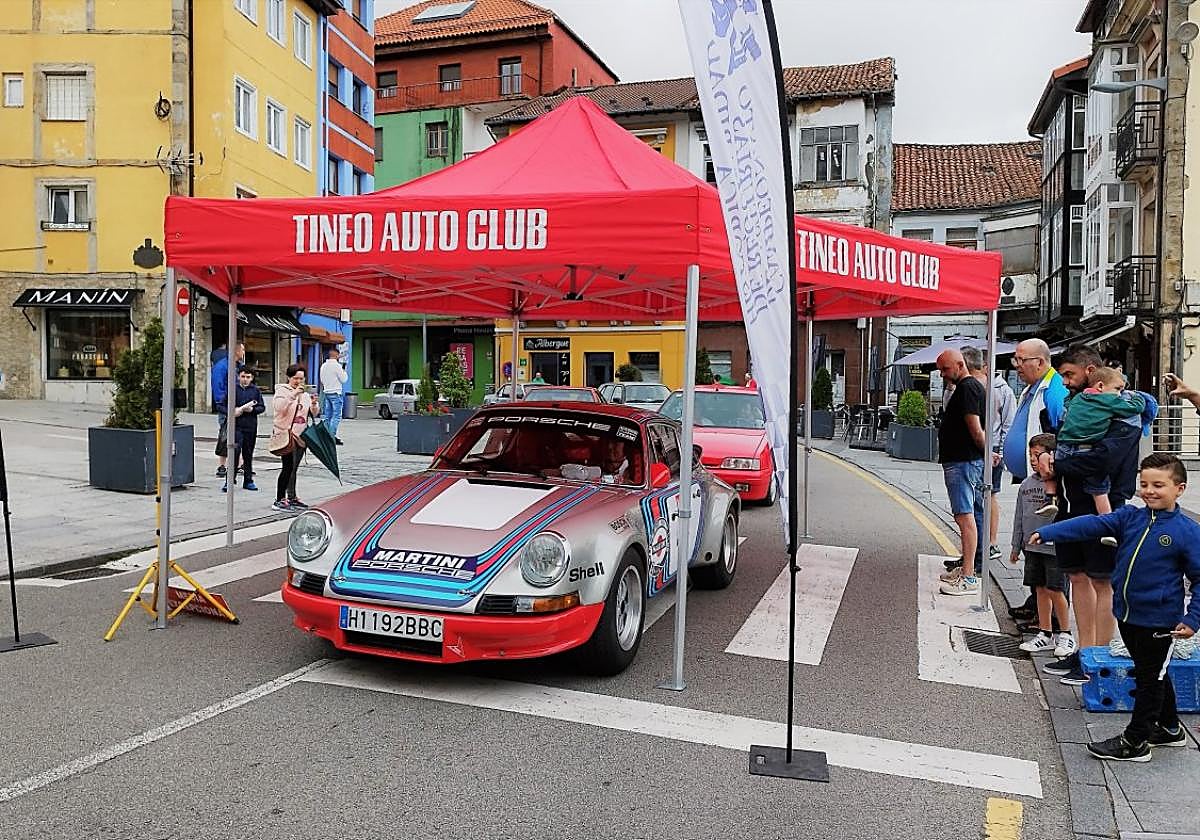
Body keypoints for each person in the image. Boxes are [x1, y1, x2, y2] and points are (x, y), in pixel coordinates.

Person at [1031, 453, 1199, 762]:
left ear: (1180, 488)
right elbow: (1092, 524)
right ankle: (1171, 728)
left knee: (1150, 680)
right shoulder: (1131, 517)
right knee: (1153, 671)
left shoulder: (1188, 532)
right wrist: (1050, 531)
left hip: (1160, 621)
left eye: (1158, 485)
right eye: (1144, 484)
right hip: (1127, 615)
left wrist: (1193, 618)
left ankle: (1136, 742)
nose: (1149, 491)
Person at [1041, 345, 1147, 685]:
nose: (1065, 382)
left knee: (1102, 580)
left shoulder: (1123, 414)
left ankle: (1099, 659)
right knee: (1077, 577)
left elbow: (1102, 459)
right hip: (1072, 505)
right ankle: (1084, 652)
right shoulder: (1079, 405)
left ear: (1090, 372)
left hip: (1106, 508)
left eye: (1069, 374)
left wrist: (1055, 462)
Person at [1037, 367, 1146, 535]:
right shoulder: (1109, 401)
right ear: (1101, 386)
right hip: (1084, 446)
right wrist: (1139, 398)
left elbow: (1066, 406)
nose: (1120, 393)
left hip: (1064, 444)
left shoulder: (1079, 398)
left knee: (1051, 470)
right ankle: (1108, 523)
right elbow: (1133, 408)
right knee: (1098, 488)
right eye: (1118, 389)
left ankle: (1050, 498)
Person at [1011, 433, 1075, 658]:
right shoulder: (1026, 484)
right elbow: (1020, 516)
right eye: (1031, 455)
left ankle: (1065, 633)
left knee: (1056, 590)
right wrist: (1016, 545)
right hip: (1032, 547)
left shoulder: (1060, 484)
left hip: (1054, 547)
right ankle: (1044, 632)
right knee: (1039, 589)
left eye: (1038, 455)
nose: (1033, 460)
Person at [934, 349, 987, 596]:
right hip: (965, 460)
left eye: (945, 369)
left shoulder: (966, 389)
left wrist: (987, 453)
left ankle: (968, 575)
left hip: (962, 460)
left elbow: (975, 429)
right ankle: (968, 569)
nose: (943, 375)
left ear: (959, 364)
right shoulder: (969, 387)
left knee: (964, 517)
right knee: (969, 515)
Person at [963, 347, 1016, 564]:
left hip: (991, 449)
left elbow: (1007, 424)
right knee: (974, 499)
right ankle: (975, 545)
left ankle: (991, 542)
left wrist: (1001, 452)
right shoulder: (969, 386)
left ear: (986, 366)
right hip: (974, 451)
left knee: (989, 495)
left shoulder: (1003, 390)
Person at [270, 364, 319, 512]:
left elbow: (313, 414)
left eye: (301, 378)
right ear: (289, 378)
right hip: (286, 435)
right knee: (287, 468)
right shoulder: (282, 391)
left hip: (301, 436)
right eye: (295, 378)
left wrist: (314, 405)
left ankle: (291, 496)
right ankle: (279, 499)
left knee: (294, 468)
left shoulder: (304, 395)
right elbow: (279, 408)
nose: (298, 381)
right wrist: (294, 394)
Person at [224, 369, 265, 493]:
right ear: (238, 377)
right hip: (236, 425)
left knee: (248, 453)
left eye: (248, 377)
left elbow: (261, 407)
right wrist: (232, 411)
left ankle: (248, 480)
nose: (245, 379)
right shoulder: (232, 389)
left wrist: (252, 410)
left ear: (251, 378)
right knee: (234, 452)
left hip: (250, 426)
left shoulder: (255, 390)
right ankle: (229, 480)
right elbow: (221, 404)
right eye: (243, 376)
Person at [211, 342, 245, 479]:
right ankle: (222, 465)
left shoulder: (240, 367)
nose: (244, 352)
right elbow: (218, 386)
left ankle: (240, 464)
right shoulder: (222, 367)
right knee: (225, 433)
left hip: (240, 404)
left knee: (239, 434)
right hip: (227, 405)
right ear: (236, 351)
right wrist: (222, 405)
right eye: (242, 349)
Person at [319, 347, 348, 446]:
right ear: (336, 355)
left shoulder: (323, 366)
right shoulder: (337, 366)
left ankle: (326, 435)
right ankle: (331, 436)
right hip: (336, 392)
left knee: (327, 415)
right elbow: (344, 379)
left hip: (326, 392)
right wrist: (344, 371)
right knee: (336, 416)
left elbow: (321, 380)